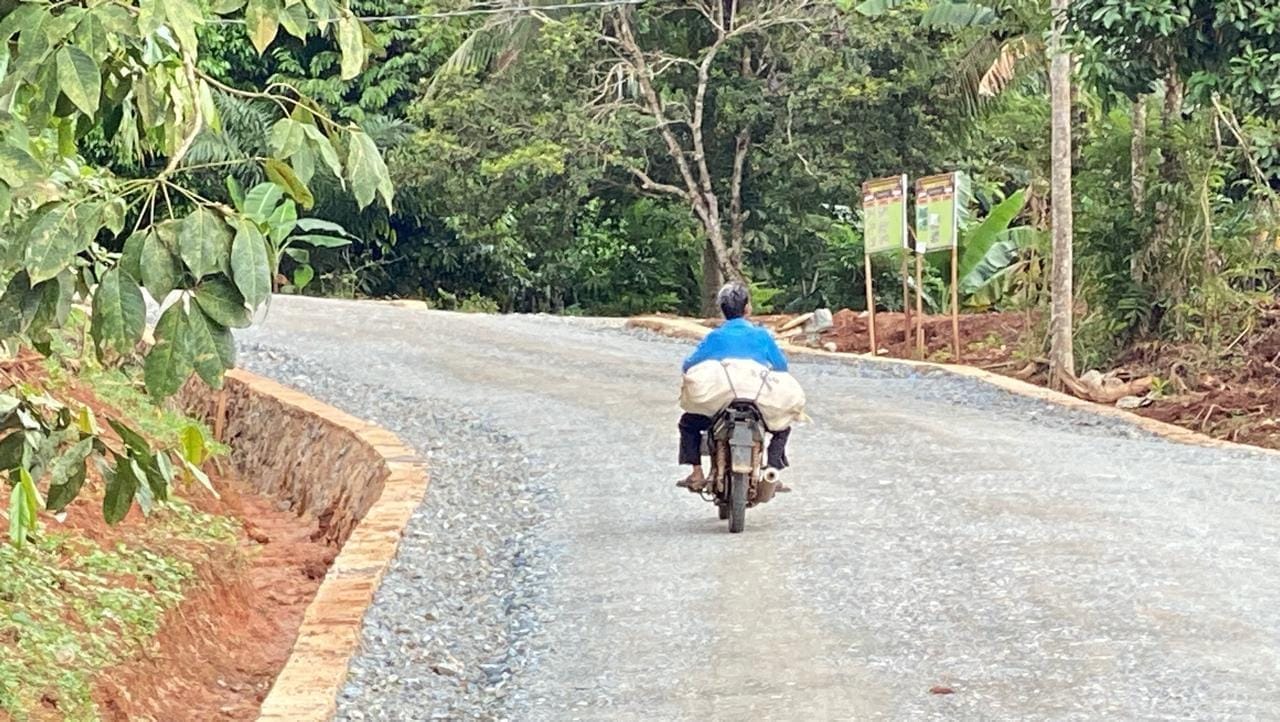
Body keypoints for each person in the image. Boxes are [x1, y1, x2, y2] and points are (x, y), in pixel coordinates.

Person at [677, 282, 792, 490]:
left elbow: (688, 364)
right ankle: (771, 470)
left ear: (722, 310)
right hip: (757, 400)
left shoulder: (715, 337)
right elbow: (782, 366)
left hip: (721, 401)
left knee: (688, 423)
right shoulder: (762, 336)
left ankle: (696, 472)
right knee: (782, 427)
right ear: (747, 308)